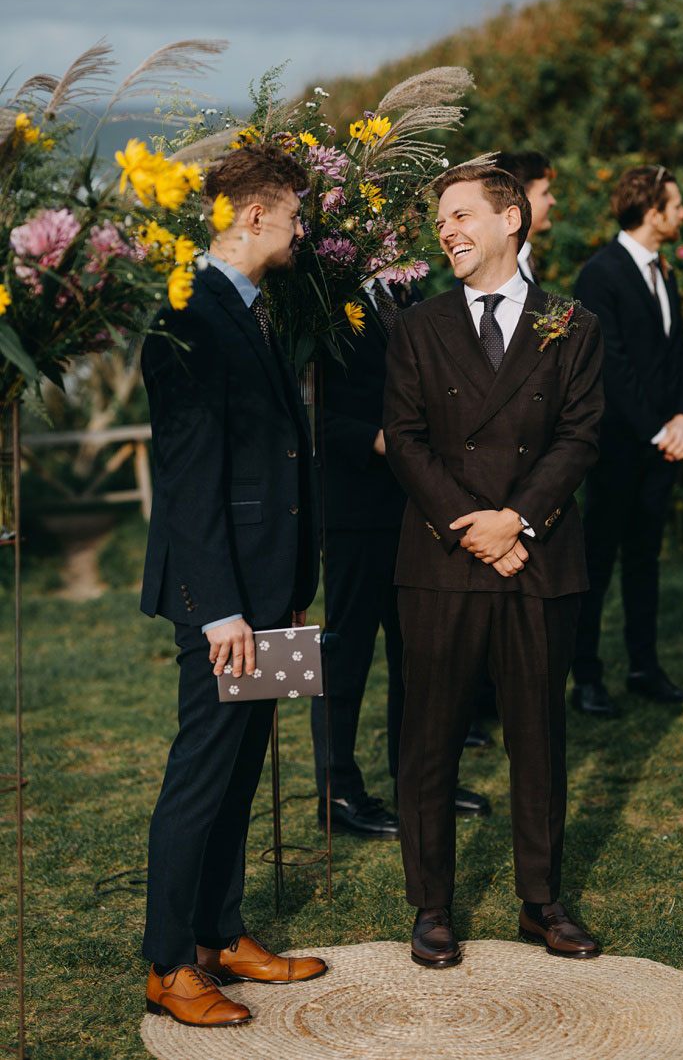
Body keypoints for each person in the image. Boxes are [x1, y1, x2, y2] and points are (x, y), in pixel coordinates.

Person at [383, 161, 605, 967]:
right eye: (440, 219)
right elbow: (403, 439)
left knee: (539, 737)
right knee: (430, 737)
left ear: (513, 221)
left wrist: (517, 521)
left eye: (462, 214)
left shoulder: (574, 322)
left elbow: (581, 436)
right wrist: (468, 525)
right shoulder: (418, 325)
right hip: (441, 560)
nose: (447, 231)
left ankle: (542, 901)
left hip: (539, 559)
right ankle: (431, 906)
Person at [139, 144, 327, 1026]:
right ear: (254, 216)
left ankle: (220, 934)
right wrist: (218, 610)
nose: (302, 226)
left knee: (244, 771)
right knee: (203, 774)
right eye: (293, 212)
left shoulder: (250, 309)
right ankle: (170, 962)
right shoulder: (189, 312)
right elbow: (185, 478)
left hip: (266, 586)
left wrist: (287, 585)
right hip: (221, 599)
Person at [310, 272, 491, 841]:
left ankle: (419, 782)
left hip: (412, 504)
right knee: (347, 657)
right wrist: (382, 440)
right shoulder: (320, 299)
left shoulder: (401, 296)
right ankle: (338, 794)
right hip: (354, 506)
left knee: (419, 653)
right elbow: (306, 409)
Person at [569, 164, 683, 718]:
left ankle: (644, 667)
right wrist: (657, 428)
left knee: (645, 559)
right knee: (596, 564)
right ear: (652, 212)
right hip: (617, 446)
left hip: (663, 444)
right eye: (677, 203)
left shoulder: (664, 272)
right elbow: (610, 366)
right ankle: (587, 677)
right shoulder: (600, 273)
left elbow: (678, 355)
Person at [494, 150, 556, 287]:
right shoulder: (495, 273)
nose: (552, 201)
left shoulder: (525, 260)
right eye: (544, 193)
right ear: (521, 199)